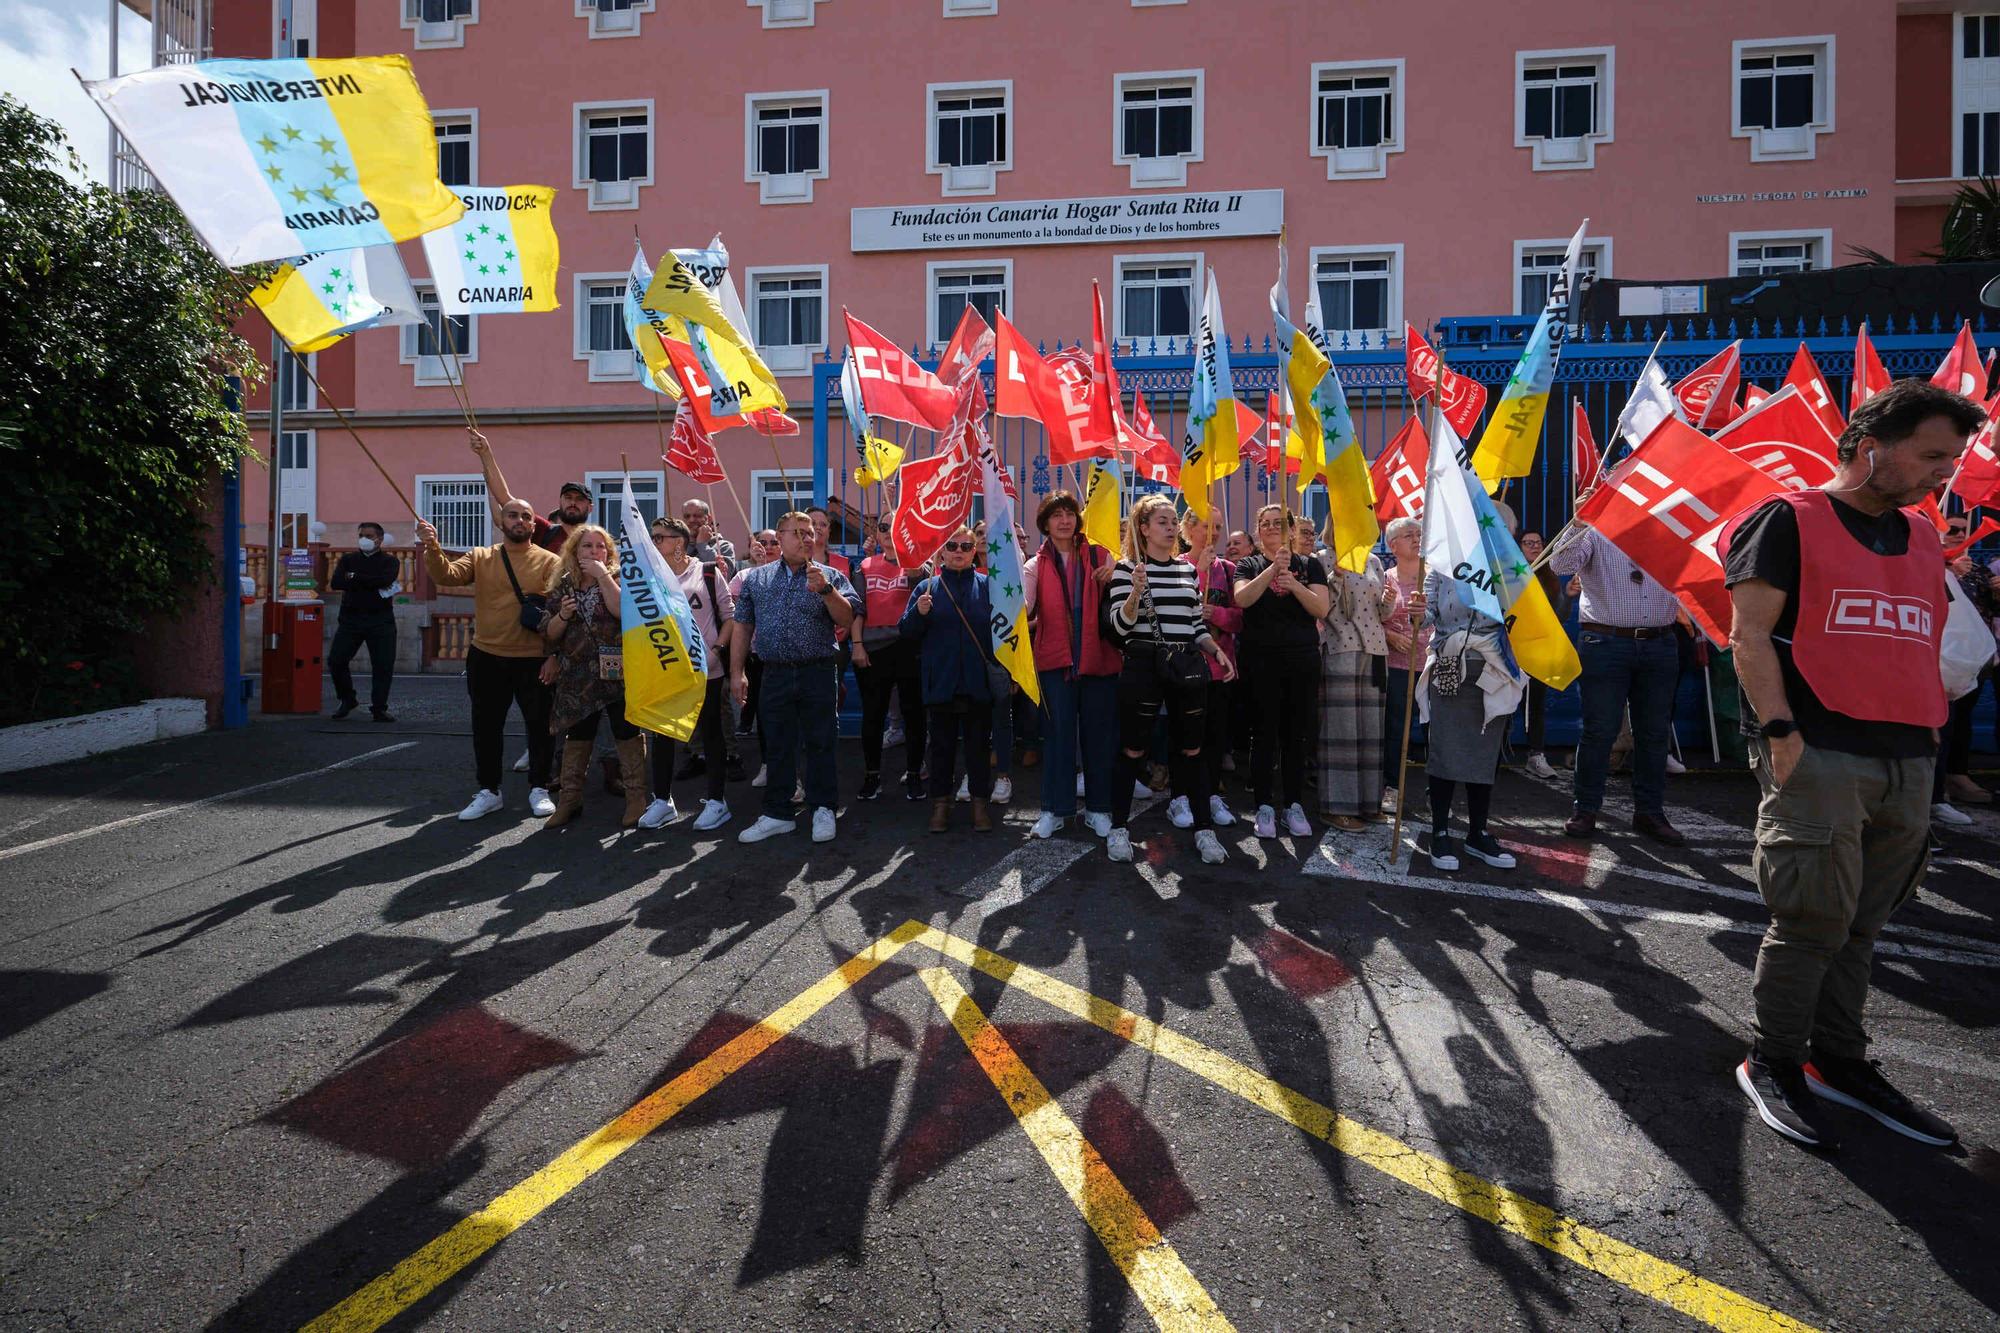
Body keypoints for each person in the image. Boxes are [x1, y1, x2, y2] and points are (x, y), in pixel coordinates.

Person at [1722, 378, 1980, 1152]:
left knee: (1865, 922)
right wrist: (1779, 731)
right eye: (1933, 454)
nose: (1945, 472)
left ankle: (1839, 1060)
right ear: (1872, 449)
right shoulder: (1787, 520)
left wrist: (1927, 738)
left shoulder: (1924, 536)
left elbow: (1919, 639)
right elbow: (1749, 635)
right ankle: (1772, 1061)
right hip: (1819, 748)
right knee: (1811, 919)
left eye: (1954, 458)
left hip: (1905, 754)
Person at [1105, 495, 1236, 864]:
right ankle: (1119, 829)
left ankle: (1204, 831)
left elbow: (1194, 624)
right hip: (1143, 662)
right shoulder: (1126, 568)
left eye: (1171, 520)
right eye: (1161, 520)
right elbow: (1119, 627)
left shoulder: (1187, 570)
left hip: (1186, 663)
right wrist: (1134, 591)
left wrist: (1214, 649)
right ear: (1143, 529)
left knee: (1192, 750)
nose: (1169, 526)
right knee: (1132, 749)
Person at [418, 500, 560, 820]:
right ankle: (489, 791)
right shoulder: (481, 556)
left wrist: (555, 656)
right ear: (500, 521)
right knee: (486, 727)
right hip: (486, 656)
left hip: (534, 659)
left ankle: (539, 787)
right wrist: (432, 546)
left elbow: (559, 613)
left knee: (541, 727)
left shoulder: (551, 562)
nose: (520, 520)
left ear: (532, 525)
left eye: (526, 516)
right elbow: (447, 576)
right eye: (513, 515)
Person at [1547, 522, 1685, 844]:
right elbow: (1561, 565)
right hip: (1606, 641)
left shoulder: (1671, 524)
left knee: (1653, 732)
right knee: (1599, 730)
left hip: (1660, 642)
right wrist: (1578, 524)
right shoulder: (1596, 528)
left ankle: (1649, 813)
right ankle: (1586, 810)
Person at [729, 510, 860, 844]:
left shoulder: (829, 575)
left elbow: (848, 617)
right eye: (798, 532)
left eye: (811, 533)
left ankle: (823, 809)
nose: (806, 538)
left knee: (821, 741)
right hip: (772, 673)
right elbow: (743, 626)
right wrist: (737, 672)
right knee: (777, 744)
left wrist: (827, 591)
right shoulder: (756, 579)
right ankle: (777, 812)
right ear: (780, 536)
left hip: (817, 670)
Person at [1022, 492, 1120, 839]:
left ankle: (1098, 809)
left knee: (1098, 739)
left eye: (1069, 514)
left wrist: (1116, 576)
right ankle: (1054, 810)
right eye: (1056, 515)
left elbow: (1125, 597)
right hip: (1056, 662)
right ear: (1045, 523)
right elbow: (1025, 606)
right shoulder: (1034, 565)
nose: (1064, 521)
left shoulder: (1099, 554)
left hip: (1099, 659)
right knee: (1058, 738)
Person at [539, 525, 648, 828]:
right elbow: (549, 634)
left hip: (618, 671)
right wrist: (562, 615)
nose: (594, 552)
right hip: (577, 674)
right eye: (587, 546)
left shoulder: (617, 579)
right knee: (578, 734)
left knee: (626, 732)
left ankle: (636, 799)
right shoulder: (562, 585)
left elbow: (623, 613)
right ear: (575, 552)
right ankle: (570, 799)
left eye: (601, 547)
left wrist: (602, 577)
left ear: (609, 553)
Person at [1417, 564, 1523, 873]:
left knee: (1484, 751)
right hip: (1449, 661)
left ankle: (1478, 832)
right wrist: (1415, 609)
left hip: (1495, 666)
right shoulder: (1439, 566)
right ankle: (1439, 831)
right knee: (1445, 748)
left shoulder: (1505, 563)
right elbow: (1426, 616)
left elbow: (1526, 612)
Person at [1234, 503, 1329, 840]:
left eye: (1279, 523)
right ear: (1258, 531)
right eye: (1266, 523)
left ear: (1291, 530)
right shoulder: (1248, 563)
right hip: (1261, 661)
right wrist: (1272, 570)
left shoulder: (1310, 565)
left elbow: (1321, 607)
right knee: (1263, 735)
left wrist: (1295, 584)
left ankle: (1293, 804)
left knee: (1296, 735)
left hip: (1301, 660)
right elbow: (1243, 599)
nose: (1272, 528)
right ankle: (1263, 804)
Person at [640, 518, 734, 833]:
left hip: (706, 669)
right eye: (652, 537)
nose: (653, 542)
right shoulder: (650, 576)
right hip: (667, 669)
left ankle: (717, 801)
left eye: (659, 537)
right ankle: (662, 800)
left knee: (711, 734)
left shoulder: (707, 572)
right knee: (664, 734)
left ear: (678, 542)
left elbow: (731, 616)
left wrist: (718, 649)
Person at [900, 526, 997, 833]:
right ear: (941, 551)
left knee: (978, 749)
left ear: (974, 551)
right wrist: (919, 612)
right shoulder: (927, 587)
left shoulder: (988, 586)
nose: (958, 551)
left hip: (977, 682)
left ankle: (980, 805)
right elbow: (906, 631)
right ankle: (941, 805)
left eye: (965, 546)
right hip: (940, 681)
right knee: (940, 749)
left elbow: (1005, 634)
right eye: (952, 545)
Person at [1318, 540, 1394, 830]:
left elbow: (1381, 614)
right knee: (1343, 730)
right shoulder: (1323, 557)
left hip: (1375, 650)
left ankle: (1368, 803)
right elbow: (1322, 606)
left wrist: (1388, 600)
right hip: (1340, 647)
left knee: (1372, 731)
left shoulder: (1374, 560)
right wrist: (1335, 575)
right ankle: (1337, 806)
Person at [853, 519, 927, 802]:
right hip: (874, 649)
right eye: (884, 527)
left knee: (914, 715)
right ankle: (872, 775)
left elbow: (927, 601)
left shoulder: (920, 563)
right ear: (877, 534)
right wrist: (858, 645)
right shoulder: (865, 566)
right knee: (872, 715)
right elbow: (857, 609)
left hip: (910, 648)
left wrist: (917, 574)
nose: (889, 532)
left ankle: (914, 773)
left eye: (897, 526)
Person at [1930, 514, 1995, 825]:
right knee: (1935, 728)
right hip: (1934, 660)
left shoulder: (1978, 570)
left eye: (1961, 530)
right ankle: (1932, 796)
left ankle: (1953, 779)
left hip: (1970, 661)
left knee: (1959, 723)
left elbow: (1993, 609)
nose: (1957, 535)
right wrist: (1944, 569)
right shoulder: (1925, 563)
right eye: (1950, 530)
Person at [1180, 510, 1241, 829]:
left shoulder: (1230, 570)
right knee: (1187, 737)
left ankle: (1211, 794)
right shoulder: (1176, 566)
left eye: (1218, 525)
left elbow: (1239, 618)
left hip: (1220, 668)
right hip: (1185, 669)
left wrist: (1217, 613)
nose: (1214, 532)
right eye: (1207, 525)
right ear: (1189, 529)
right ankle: (1182, 797)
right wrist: (1198, 572)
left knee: (1216, 737)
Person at [1380, 517, 1430, 813]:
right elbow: (1371, 619)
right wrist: (1390, 635)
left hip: (1431, 665)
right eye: (1409, 535)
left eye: (1419, 534)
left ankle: (1435, 792)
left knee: (1433, 730)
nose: (1416, 539)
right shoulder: (1385, 578)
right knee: (1395, 728)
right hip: (1397, 665)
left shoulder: (1434, 576)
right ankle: (1391, 787)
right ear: (1393, 545)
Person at [327, 522, 400, 723]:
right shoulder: (348, 559)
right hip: (351, 619)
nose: (364, 540)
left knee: (383, 665)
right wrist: (366, 580)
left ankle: (379, 708)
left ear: (380, 539)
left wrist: (355, 578)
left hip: (381, 620)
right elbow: (337, 583)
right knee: (336, 660)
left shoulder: (389, 561)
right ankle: (347, 699)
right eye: (361, 535)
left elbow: (385, 581)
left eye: (368, 536)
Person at [1514, 531, 1567, 779]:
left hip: (1538, 649)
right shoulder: (1509, 573)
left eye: (1538, 543)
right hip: (1510, 648)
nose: (1535, 547)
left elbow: (1560, 616)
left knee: (1535, 704)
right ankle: (1494, 752)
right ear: (1518, 547)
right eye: (1528, 543)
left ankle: (1535, 755)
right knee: (1502, 702)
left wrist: (1570, 597)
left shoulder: (1549, 575)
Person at [681, 497, 735, 571]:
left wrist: (702, 545)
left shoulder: (724, 546)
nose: (691, 520)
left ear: (708, 519)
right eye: (687, 516)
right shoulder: (678, 546)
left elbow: (724, 574)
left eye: (697, 516)